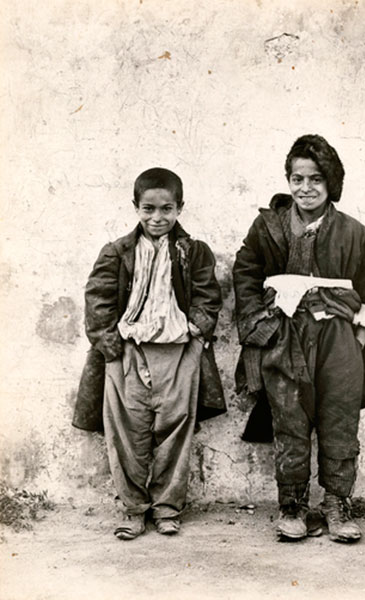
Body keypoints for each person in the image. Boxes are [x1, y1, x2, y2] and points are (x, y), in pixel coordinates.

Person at [233, 134, 365, 543]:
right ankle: (292, 505)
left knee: (339, 418)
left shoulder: (354, 233)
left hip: (338, 339)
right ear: (287, 180)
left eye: (315, 180)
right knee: (289, 419)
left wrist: (357, 340)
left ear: (331, 184)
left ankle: (336, 504)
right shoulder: (269, 226)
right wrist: (260, 324)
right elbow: (245, 272)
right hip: (285, 336)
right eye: (296, 179)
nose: (305, 188)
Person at [73, 167, 225, 540]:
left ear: (180, 208)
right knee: (126, 429)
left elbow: (209, 296)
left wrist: (195, 331)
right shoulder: (117, 252)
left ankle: (168, 508)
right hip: (127, 353)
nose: (158, 218)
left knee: (176, 428)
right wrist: (110, 346)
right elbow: (99, 300)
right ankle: (133, 508)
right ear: (135, 208)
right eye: (148, 209)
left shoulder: (194, 252)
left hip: (177, 354)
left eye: (167, 209)